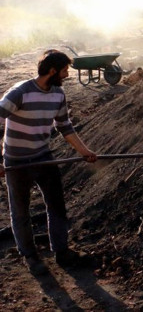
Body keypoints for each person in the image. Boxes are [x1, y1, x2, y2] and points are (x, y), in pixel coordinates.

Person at [0, 49, 97, 275]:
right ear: (52, 71)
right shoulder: (20, 92)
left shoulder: (58, 94)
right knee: (20, 210)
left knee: (56, 206)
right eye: (64, 71)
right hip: (16, 160)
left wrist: (84, 151)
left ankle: (62, 252)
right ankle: (31, 257)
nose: (67, 75)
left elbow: (65, 127)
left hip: (43, 157)